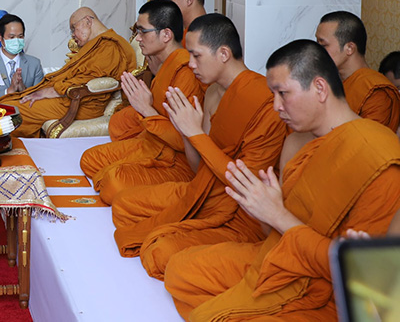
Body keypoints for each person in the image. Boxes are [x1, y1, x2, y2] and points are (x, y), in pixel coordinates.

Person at [164, 40, 400, 320]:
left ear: (320, 88)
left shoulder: (377, 159)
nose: (276, 106)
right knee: (179, 270)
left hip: (325, 291)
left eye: (283, 94)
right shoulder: (298, 143)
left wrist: (277, 214)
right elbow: (274, 235)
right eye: (273, 94)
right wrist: (264, 209)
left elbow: (362, 279)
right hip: (281, 258)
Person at [111, 14, 286, 279]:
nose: (191, 64)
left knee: (160, 252)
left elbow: (245, 184)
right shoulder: (212, 91)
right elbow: (198, 168)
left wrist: (194, 132)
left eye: (196, 56)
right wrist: (187, 133)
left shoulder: (264, 102)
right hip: (201, 190)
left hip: (239, 212)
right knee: (123, 205)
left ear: (223, 53)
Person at [80, 0, 206, 203]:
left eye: (142, 32)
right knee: (89, 160)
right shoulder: (165, 64)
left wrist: (146, 109)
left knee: (113, 183)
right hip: (152, 143)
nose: (137, 38)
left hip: (176, 160)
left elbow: (183, 140)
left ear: (166, 35)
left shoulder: (185, 73)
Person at [0, 7, 137, 138]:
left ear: (88, 22)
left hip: (81, 103)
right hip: (67, 98)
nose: (73, 35)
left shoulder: (109, 46)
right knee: (8, 103)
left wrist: (49, 91)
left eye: (73, 28)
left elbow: (87, 79)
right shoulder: (95, 45)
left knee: (11, 110)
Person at [315, 11, 400, 130]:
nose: (317, 52)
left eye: (323, 45)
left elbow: (368, 138)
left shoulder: (377, 92)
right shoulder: (326, 81)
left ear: (349, 48)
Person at [0, 13, 44, 100]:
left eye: (20, 36)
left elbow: (40, 98)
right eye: (11, 37)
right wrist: (8, 91)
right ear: (0, 37)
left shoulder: (35, 64)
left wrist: (23, 90)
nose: (16, 41)